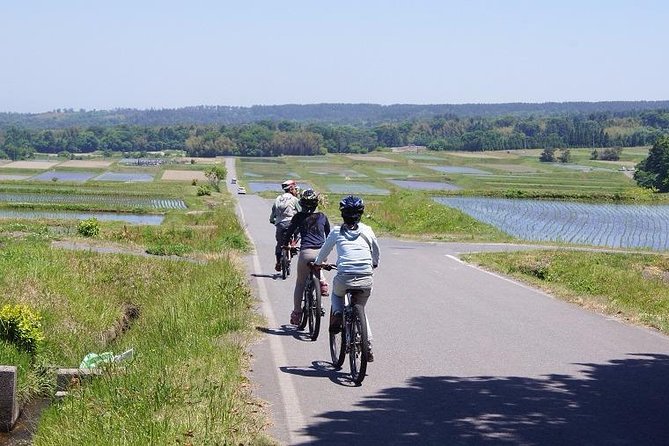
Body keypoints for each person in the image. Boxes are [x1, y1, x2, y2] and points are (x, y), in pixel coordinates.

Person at [314, 195, 379, 361]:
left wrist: (317, 263)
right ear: (361, 213)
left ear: (342, 214)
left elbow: (324, 251)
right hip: (366, 276)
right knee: (360, 309)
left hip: (344, 277)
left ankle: (337, 314)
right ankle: (368, 346)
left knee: (336, 294)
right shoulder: (368, 230)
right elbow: (376, 251)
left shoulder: (337, 231)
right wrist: (374, 263)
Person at [283, 189, 331, 326]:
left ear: (302, 203)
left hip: (306, 253)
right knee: (319, 263)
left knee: (300, 282)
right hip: (321, 252)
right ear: (316, 203)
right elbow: (328, 236)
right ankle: (322, 282)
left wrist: (285, 245)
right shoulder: (323, 216)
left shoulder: (298, 217)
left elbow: (289, 233)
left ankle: (297, 313)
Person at [269, 179, 300, 272]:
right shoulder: (295, 199)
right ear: (291, 189)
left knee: (279, 244)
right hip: (291, 224)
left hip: (280, 225)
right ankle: (294, 243)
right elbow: (300, 212)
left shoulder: (278, 199)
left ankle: (278, 263)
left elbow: (272, 214)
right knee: (298, 230)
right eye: (294, 189)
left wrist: (273, 221)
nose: (295, 191)